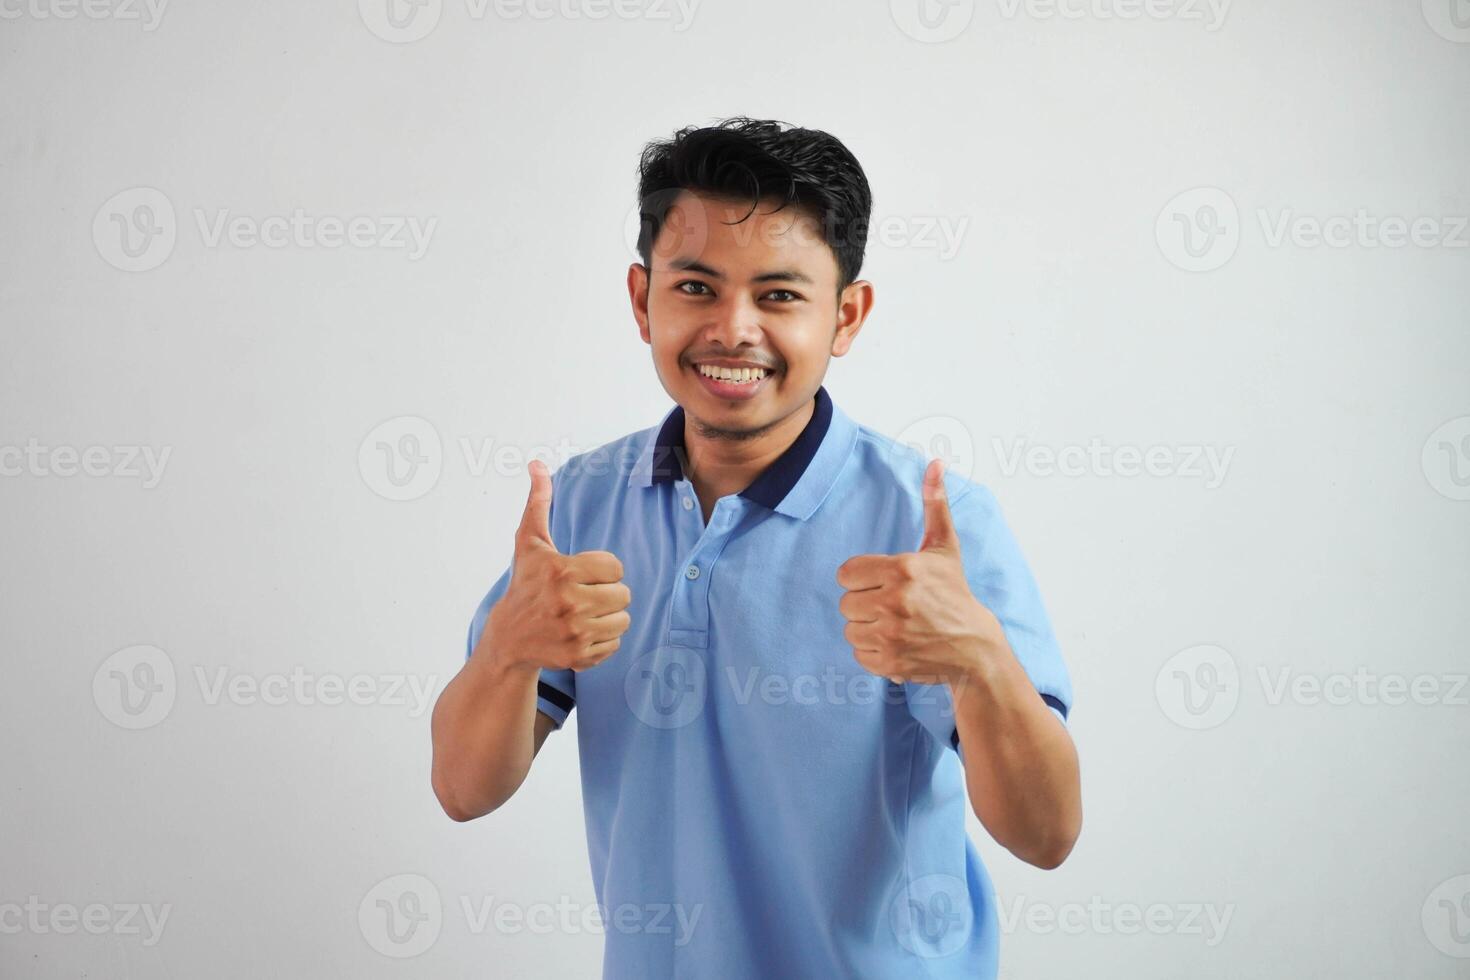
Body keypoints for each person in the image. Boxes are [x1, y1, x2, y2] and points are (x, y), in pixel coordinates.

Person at [430, 116, 1081, 979]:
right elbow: (463, 791)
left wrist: (980, 663)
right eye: (696, 287)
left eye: (779, 295)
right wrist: (509, 652)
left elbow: (1047, 836)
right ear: (641, 299)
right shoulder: (581, 505)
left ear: (846, 315)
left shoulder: (931, 528)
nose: (734, 329)